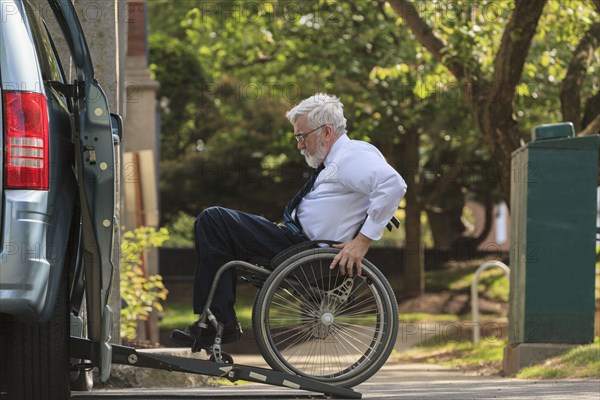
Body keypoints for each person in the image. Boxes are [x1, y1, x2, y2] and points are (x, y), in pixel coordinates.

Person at [171, 93, 407, 348]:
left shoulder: (351, 156)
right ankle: (216, 320)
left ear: (326, 132)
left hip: (304, 250)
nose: (299, 145)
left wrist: (362, 243)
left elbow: (392, 184)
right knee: (216, 231)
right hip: (294, 243)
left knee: (213, 219)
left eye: (302, 136)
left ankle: (219, 323)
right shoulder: (339, 159)